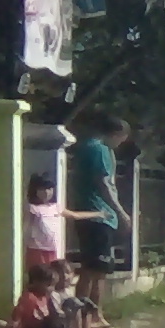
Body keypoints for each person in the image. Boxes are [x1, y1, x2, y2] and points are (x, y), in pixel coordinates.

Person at [65, 113, 132, 313]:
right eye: (122, 139)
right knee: (95, 269)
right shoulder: (99, 149)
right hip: (98, 214)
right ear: (117, 134)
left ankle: (88, 313)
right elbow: (104, 184)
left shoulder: (87, 147)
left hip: (92, 214)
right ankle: (91, 314)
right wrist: (121, 212)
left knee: (94, 268)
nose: (121, 144)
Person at [8, 260, 90, 328]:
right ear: (36, 282)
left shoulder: (45, 297)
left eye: (54, 286)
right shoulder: (29, 298)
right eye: (49, 285)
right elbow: (17, 316)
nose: (52, 289)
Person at [23, 175, 65, 280]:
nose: (46, 192)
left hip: (51, 248)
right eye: (42, 189)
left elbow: (74, 215)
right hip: (36, 249)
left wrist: (98, 214)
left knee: (51, 277)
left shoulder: (55, 207)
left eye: (50, 189)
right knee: (37, 276)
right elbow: (25, 225)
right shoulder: (32, 208)